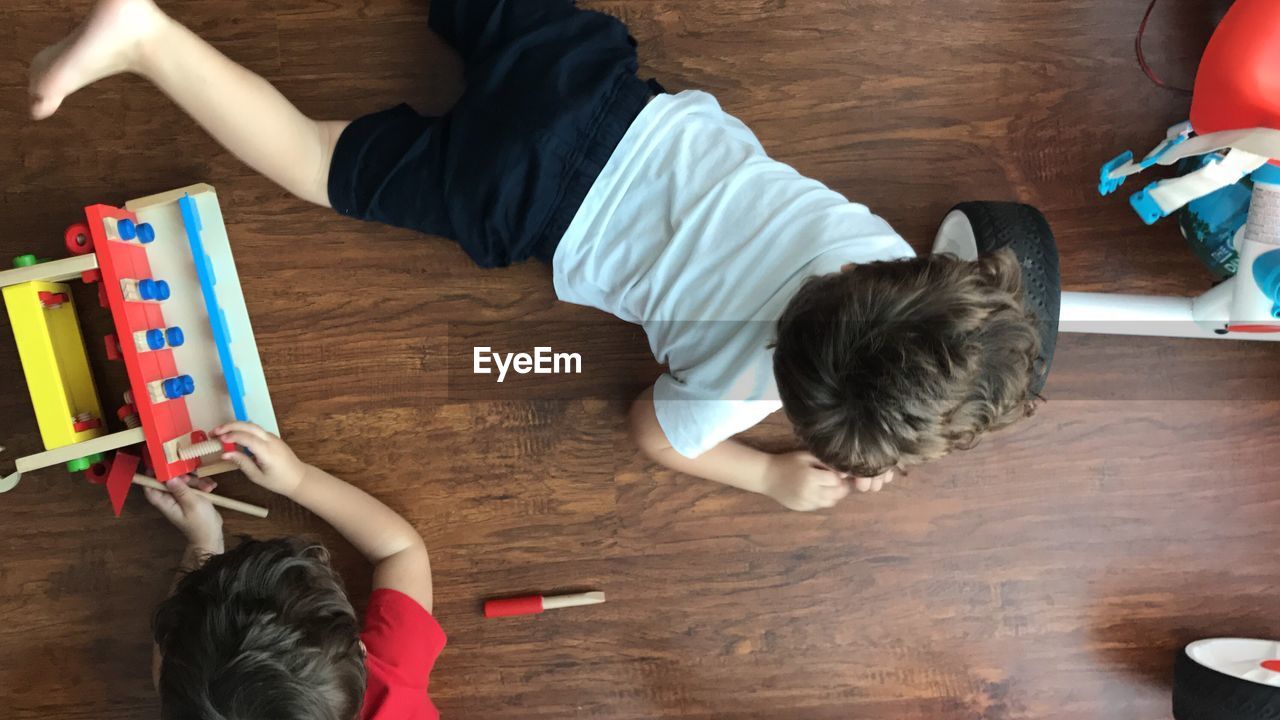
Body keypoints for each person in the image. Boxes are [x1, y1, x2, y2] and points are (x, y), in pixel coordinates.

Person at [31, 0, 1043, 512]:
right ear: (799, 400)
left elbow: (922, 326)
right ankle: (150, 39)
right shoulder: (742, 389)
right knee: (312, 160)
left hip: (592, 96)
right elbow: (653, 433)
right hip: (524, 203)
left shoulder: (875, 246)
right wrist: (774, 478)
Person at [145, 422, 444, 719]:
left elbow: (173, 672)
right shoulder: (394, 696)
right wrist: (298, 480)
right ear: (361, 651)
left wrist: (203, 541)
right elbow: (401, 551)